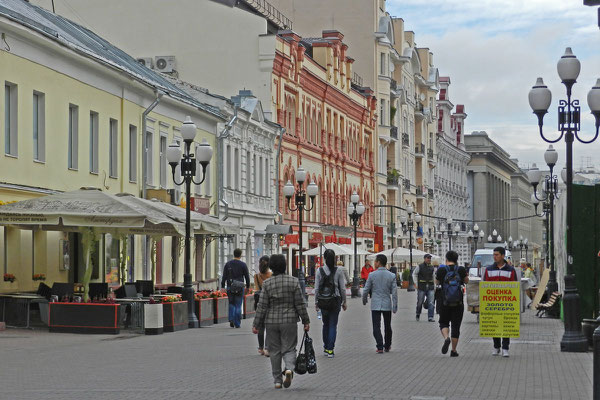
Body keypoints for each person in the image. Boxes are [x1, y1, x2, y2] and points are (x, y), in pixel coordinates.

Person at [253, 254, 310, 389]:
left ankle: (277, 381)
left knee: (274, 351)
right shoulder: (294, 281)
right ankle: (289, 369)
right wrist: (306, 321)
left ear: (271, 266)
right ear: (285, 266)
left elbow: (262, 306)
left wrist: (256, 324)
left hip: (271, 321)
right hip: (289, 320)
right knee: (289, 348)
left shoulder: (267, 283)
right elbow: (300, 303)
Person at [483, 246, 518, 357]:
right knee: (494, 325)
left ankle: (505, 348)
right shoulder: (489, 269)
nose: (495, 257)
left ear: (503, 256)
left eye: (497, 255)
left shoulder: (511, 270)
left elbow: (514, 286)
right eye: (494, 254)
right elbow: (485, 286)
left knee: (506, 325)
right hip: (493, 303)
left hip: (506, 303)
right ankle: (496, 346)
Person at [362, 254, 398, 353]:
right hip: (387, 303)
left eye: (375, 261)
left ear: (378, 262)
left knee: (376, 326)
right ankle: (387, 345)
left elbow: (366, 290)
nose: (374, 263)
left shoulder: (372, 275)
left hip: (375, 304)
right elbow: (394, 293)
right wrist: (395, 306)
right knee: (387, 326)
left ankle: (379, 346)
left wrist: (364, 300)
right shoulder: (392, 275)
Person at [314, 249, 347, 358]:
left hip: (323, 301)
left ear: (324, 258)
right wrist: (344, 301)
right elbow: (342, 288)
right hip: (335, 301)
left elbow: (316, 288)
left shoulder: (319, 271)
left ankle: (325, 347)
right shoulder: (338, 271)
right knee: (333, 325)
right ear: (335, 259)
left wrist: (316, 302)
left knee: (325, 324)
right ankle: (330, 349)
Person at [435, 250, 468, 357]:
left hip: (444, 301)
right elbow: (466, 281)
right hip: (458, 303)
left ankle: (446, 338)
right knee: (456, 326)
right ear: (456, 259)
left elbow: (436, 282)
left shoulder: (441, 270)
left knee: (443, 322)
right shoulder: (461, 269)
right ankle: (453, 350)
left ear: (446, 259)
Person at [221, 248, 250, 329]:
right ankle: (237, 323)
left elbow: (224, 276)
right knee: (238, 305)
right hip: (240, 287)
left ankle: (231, 319)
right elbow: (247, 276)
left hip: (230, 286)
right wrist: (248, 287)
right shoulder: (243, 265)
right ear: (240, 255)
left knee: (231, 303)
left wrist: (223, 286)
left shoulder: (228, 264)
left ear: (234, 254)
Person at [254, 255, 272, 356]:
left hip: (259, 303)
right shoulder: (271, 275)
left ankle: (260, 348)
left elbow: (256, 290)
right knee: (269, 326)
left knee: (260, 327)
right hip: (269, 303)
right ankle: (267, 348)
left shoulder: (256, 276)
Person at [413, 254, 435, 322]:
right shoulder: (420, 266)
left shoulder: (432, 267)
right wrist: (416, 283)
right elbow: (414, 274)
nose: (429, 259)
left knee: (431, 302)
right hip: (422, 286)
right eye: (428, 258)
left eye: (430, 258)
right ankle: (418, 313)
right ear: (424, 259)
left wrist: (434, 286)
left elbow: (434, 276)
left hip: (430, 286)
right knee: (420, 302)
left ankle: (430, 317)